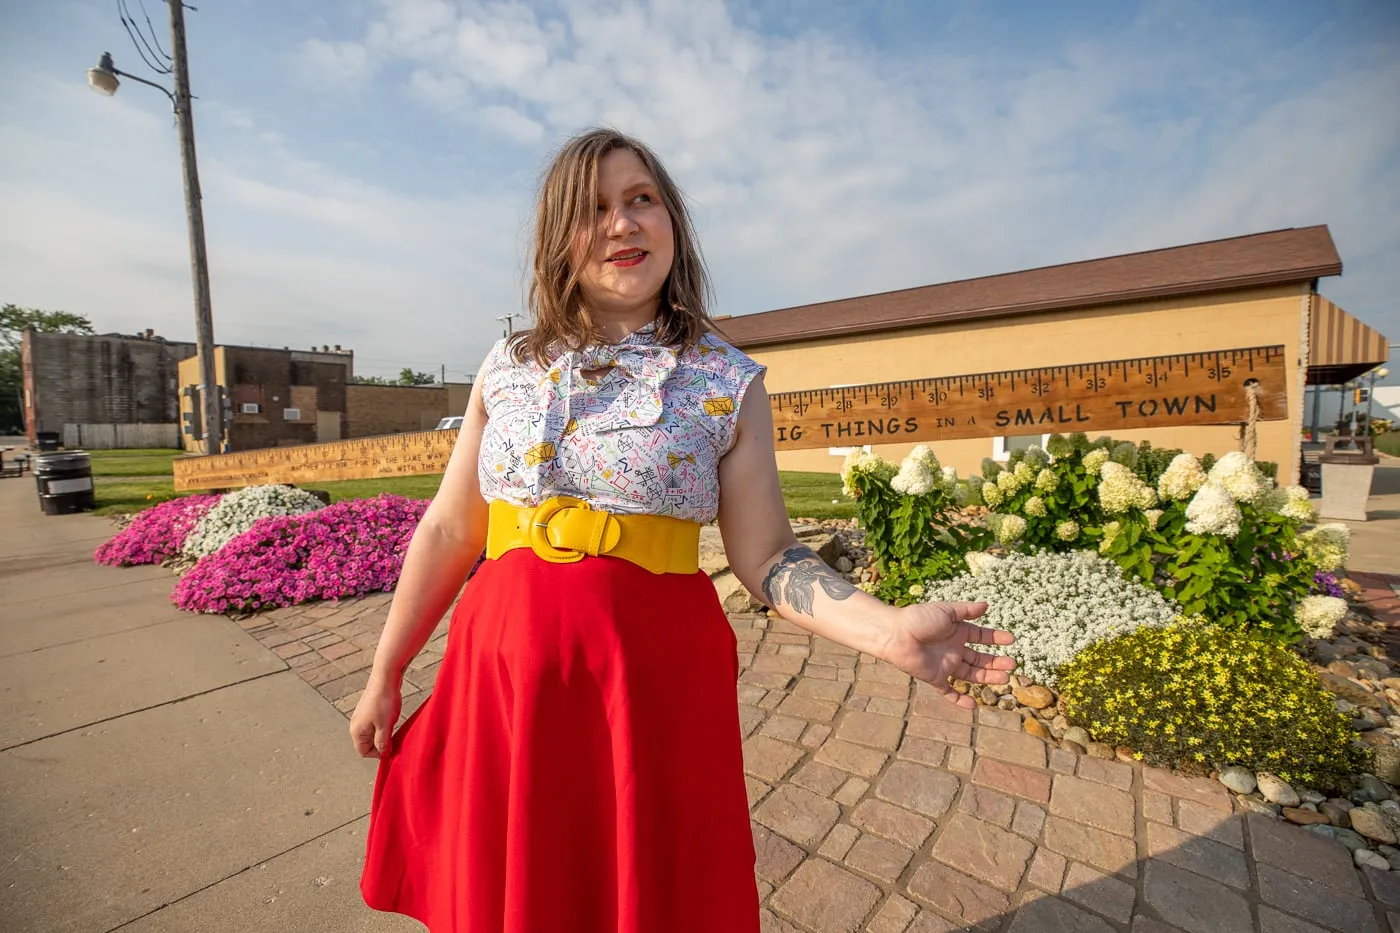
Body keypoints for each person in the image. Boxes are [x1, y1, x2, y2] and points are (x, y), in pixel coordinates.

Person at [351, 127, 1015, 933]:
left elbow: (767, 556)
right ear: (558, 237)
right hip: (500, 683)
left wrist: (887, 633)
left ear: (674, 223)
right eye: (593, 209)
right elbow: (452, 527)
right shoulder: (507, 364)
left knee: (647, 893)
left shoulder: (725, 379)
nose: (622, 224)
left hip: (646, 689)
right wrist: (387, 668)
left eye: (642, 200)